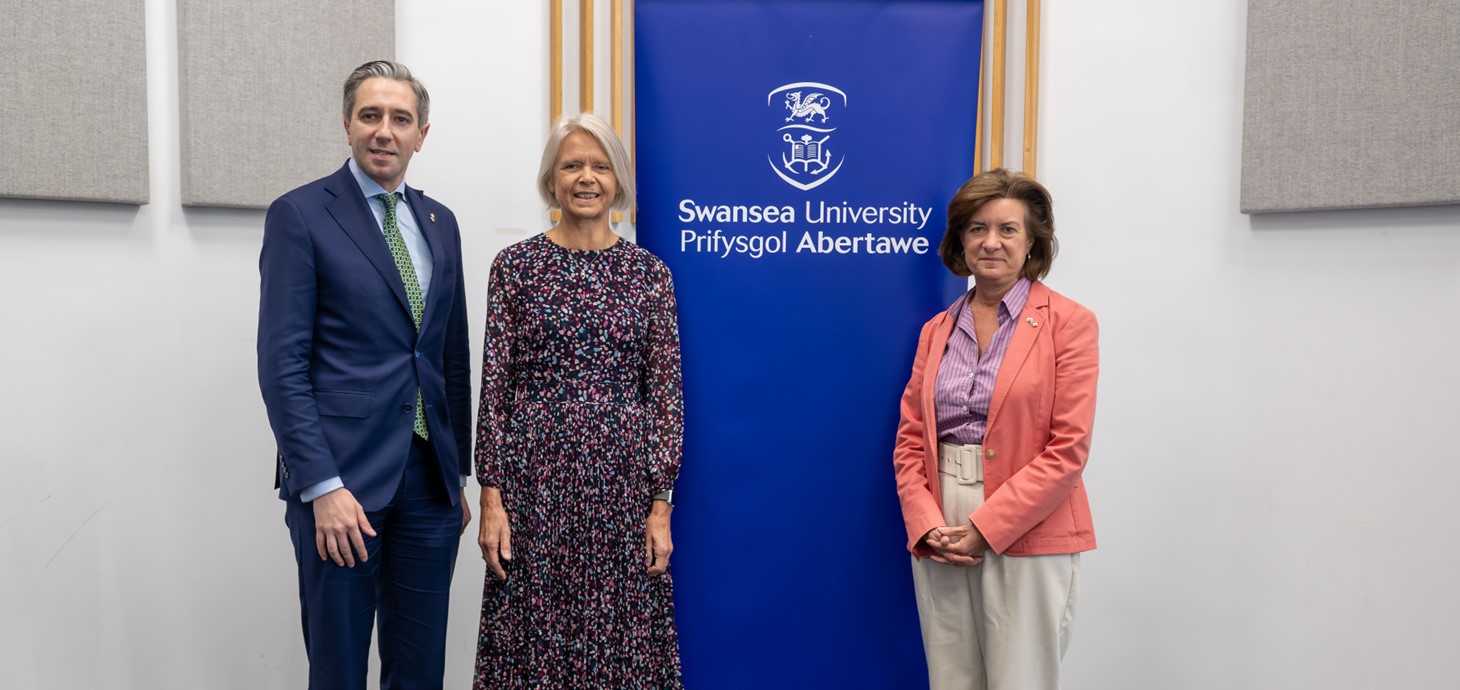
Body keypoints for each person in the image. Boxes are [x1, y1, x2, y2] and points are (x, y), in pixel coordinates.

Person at [257, 60, 472, 690]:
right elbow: (282, 365)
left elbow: (446, 359)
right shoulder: (300, 215)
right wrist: (319, 485)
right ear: (348, 124)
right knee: (340, 670)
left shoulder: (441, 223)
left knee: (420, 671)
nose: (385, 131)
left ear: (421, 134)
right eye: (371, 115)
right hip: (341, 486)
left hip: (429, 488)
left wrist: (454, 473)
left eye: (400, 119)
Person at [472, 112, 684, 689]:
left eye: (600, 165)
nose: (586, 177)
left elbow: (664, 396)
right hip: (533, 486)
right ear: (551, 180)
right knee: (531, 638)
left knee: (622, 641)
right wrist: (491, 498)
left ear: (618, 181)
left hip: (622, 489)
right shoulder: (515, 268)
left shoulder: (649, 276)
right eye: (572, 165)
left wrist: (661, 505)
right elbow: (496, 391)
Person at [892, 168, 1098, 689]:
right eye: (977, 228)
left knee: (1020, 680)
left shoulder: (1069, 323)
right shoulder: (937, 330)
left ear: (1032, 242)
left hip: (1028, 521)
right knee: (952, 678)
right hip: (943, 521)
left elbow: (1068, 448)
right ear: (960, 239)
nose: (991, 242)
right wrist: (924, 522)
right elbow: (911, 438)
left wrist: (988, 527)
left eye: (1008, 229)